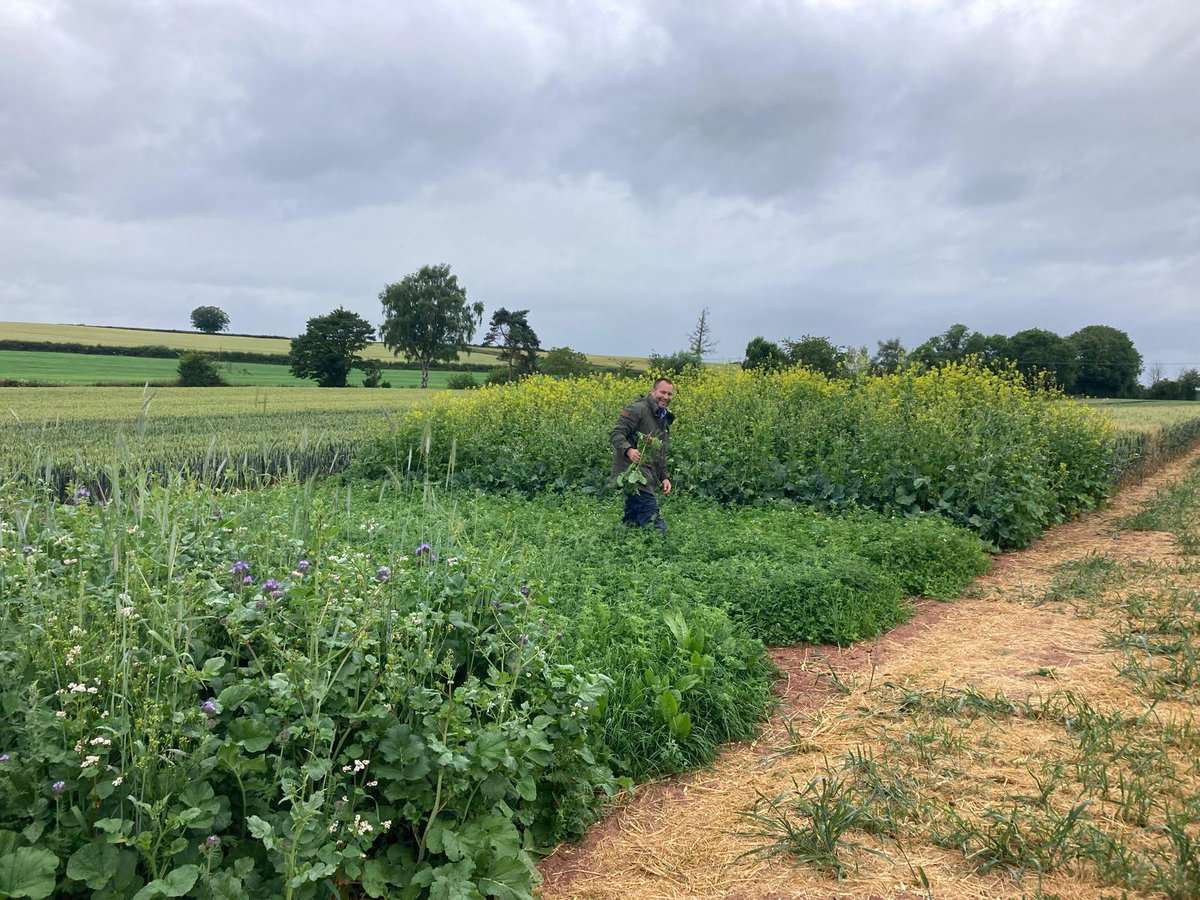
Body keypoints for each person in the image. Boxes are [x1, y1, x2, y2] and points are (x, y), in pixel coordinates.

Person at [610, 377, 674, 533]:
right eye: (662, 392)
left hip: (647, 473)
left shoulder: (663, 417)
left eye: (670, 394)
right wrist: (629, 450)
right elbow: (616, 433)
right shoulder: (638, 409)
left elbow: (659, 451)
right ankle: (661, 552)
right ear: (653, 391)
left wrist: (664, 476)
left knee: (632, 521)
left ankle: (622, 540)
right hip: (634, 472)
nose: (666, 397)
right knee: (653, 520)